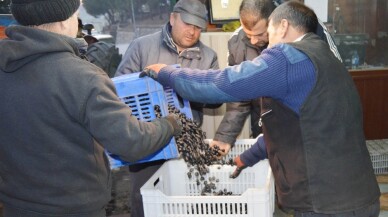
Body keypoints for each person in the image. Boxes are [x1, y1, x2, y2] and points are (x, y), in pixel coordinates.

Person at [142, 1, 381, 216]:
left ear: (283, 26)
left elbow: (221, 84)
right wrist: (246, 158)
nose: (264, 43)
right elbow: (301, 127)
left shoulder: (288, 57)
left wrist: (166, 72)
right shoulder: (326, 58)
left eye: (268, 33)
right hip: (360, 196)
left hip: (326, 203)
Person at [0, 0, 182, 216]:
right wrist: (169, 124)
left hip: (15, 206)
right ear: (62, 20)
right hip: (75, 208)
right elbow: (131, 142)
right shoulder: (83, 77)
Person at [115, 0, 219, 216]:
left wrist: (185, 87)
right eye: (187, 24)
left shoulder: (208, 57)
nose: (192, 32)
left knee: (186, 200)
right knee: (145, 198)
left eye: (198, 27)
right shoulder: (142, 46)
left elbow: (217, 98)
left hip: (185, 142)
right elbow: (119, 89)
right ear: (173, 18)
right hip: (147, 141)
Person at [210, 0, 342, 157]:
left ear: (275, 22)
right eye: (248, 34)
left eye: (260, 34)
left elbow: (334, 77)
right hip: (265, 129)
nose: (253, 40)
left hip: (308, 128)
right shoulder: (236, 41)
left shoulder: (306, 26)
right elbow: (239, 94)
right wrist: (225, 136)